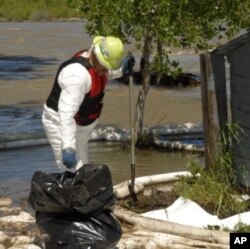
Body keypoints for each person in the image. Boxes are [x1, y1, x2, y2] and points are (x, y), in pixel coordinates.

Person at [42, 36, 132, 170]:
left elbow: (106, 74)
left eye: (108, 68)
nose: (106, 71)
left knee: (84, 167)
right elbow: (66, 114)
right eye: (105, 68)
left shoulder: (96, 64)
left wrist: (122, 69)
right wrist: (68, 146)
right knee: (72, 171)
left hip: (81, 127)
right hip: (59, 123)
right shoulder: (77, 77)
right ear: (95, 55)